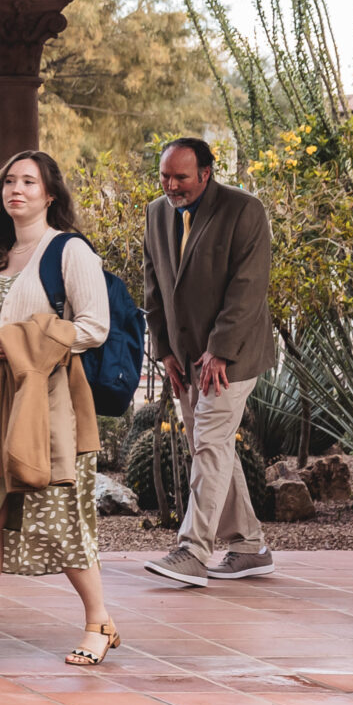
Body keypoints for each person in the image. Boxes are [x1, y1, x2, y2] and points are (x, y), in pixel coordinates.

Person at [0, 151, 122, 668]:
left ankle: (99, 620)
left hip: (47, 404)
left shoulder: (69, 250)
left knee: (58, 517)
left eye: (29, 181)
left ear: (49, 193)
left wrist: (14, 341)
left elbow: (93, 327)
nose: (17, 189)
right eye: (9, 180)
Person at [141, 136, 276, 586]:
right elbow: (154, 288)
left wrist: (220, 349)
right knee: (210, 445)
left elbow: (248, 287)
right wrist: (164, 350)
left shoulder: (244, 211)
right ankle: (250, 544)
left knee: (210, 442)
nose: (171, 186)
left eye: (181, 177)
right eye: (165, 176)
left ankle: (193, 551)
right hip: (184, 358)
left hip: (231, 357)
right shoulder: (156, 213)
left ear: (205, 173)